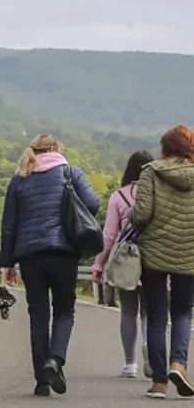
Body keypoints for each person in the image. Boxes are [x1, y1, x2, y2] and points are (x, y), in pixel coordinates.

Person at [1, 134, 100, 397]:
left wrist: (7, 263)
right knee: (65, 310)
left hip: (30, 256)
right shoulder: (71, 173)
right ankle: (54, 360)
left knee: (38, 315)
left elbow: (9, 225)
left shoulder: (20, 178)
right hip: (63, 253)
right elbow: (93, 203)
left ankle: (41, 382)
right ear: (56, 149)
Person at [130, 125, 194, 399]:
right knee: (182, 312)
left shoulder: (151, 172)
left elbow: (141, 214)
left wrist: (133, 217)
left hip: (153, 254)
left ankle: (158, 382)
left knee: (156, 315)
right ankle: (178, 363)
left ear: (165, 147)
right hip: (189, 254)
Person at [92, 150, 154, 378]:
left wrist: (99, 264)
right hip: (153, 257)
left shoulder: (119, 196)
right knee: (151, 311)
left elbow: (108, 235)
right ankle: (151, 348)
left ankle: (130, 364)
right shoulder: (158, 193)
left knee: (128, 311)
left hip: (126, 260)